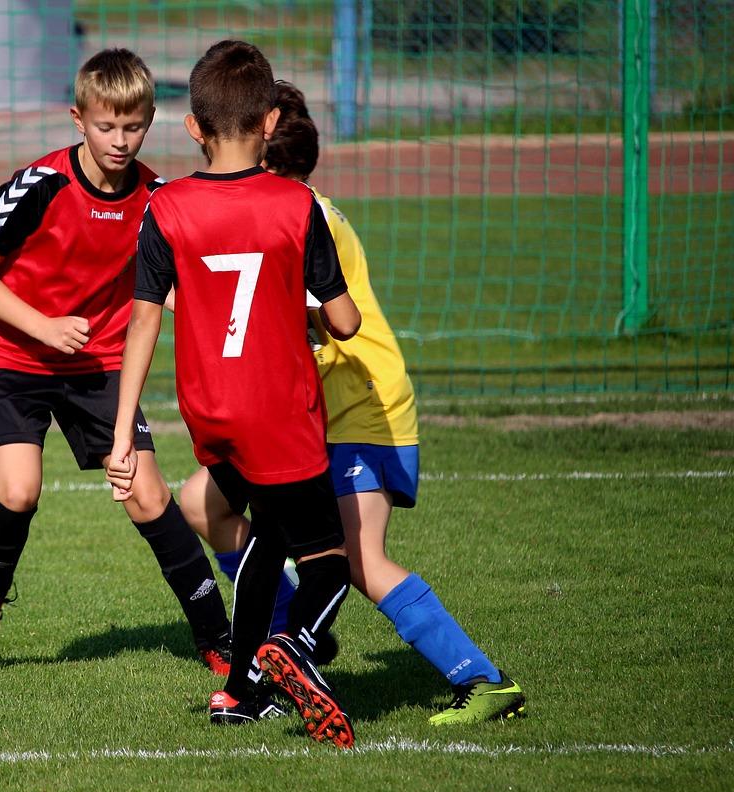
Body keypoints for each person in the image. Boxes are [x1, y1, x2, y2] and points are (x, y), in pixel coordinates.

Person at [176, 80, 527, 726]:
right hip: (299, 414)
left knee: (359, 560)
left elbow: (328, 319)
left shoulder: (304, 216)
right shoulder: (270, 211)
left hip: (360, 407)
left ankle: (483, 679)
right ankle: (292, 641)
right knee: (204, 499)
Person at [107, 40, 362, 747]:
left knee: (268, 536)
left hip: (211, 412)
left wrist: (123, 433)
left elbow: (143, 322)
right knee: (330, 561)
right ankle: (299, 647)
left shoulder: (166, 208)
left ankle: (239, 689)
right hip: (282, 411)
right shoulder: (295, 203)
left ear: (191, 126)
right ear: (272, 120)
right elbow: (344, 319)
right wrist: (308, 312)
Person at [0, 48, 232, 675]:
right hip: (14, 354)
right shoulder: (39, 186)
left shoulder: (160, 199)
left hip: (100, 366)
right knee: (19, 491)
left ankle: (219, 638)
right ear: (78, 119)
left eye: (133, 127)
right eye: (106, 126)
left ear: (150, 121)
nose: (120, 140)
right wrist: (44, 328)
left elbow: (195, 285)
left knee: (146, 493)